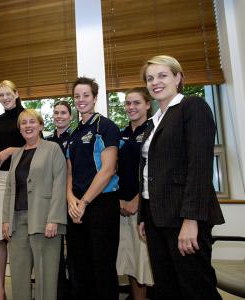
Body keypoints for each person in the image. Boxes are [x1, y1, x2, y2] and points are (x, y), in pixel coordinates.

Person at [138, 55, 224, 300]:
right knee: (167, 288)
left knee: (195, 288)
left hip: (184, 217)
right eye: (150, 78)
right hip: (157, 217)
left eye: (162, 75)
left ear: (178, 77)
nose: (155, 82)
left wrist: (191, 219)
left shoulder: (193, 107)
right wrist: (145, 215)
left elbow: (199, 167)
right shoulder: (153, 122)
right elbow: (149, 172)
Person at [2, 109, 67, 300]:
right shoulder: (17, 154)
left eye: (32, 122)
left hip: (44, 220)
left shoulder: (53, 149)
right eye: (24, 123)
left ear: (40, 126)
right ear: (20, 128)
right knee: (19, 275)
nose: (28, 126)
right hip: (17, 221)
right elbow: (9, 189)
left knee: (45, 276)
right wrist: (6, 220)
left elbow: (60, 183)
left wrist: (54, 218)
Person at [66, 77, 121, 299]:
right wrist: (70, 198)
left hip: (100, 203)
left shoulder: (106, 127)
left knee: (102, 264)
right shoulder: (74, 132)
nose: (81, 100)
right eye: (77, 96)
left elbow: (108, 170)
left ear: (95, 98)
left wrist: (84, 202)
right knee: (80, 265)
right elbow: (69, 172)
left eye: (86, 95)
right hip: (76, 205)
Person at [0, 80, 25, 300]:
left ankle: (21, 289)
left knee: (19, 234)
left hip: (22, 178)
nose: (4, 98)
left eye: (8, 94)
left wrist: (10, 150)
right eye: (0, 95)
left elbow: (35, 145)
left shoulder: (26, 116)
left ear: (16, 93)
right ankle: (0, 290)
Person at [116, 87, 154, 300]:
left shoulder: (154, 130)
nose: (131, 107)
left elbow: (156, 171)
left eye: (136, 102)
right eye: (128, 103)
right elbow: (113, 169)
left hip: (145, 207)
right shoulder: (121, 134)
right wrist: (120, 200)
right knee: (132, 261)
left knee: (148, 262)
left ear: (148, 104)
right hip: (122, 207)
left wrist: (136, 202)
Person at [45, 100, 73, 300]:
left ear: (70, 116)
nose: (59, 116)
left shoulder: (77, 137)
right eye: (56, 113)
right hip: (52, 201)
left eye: (63, 112)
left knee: (74, 251)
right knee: (54, 252)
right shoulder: (45, 141)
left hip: (72, 198)